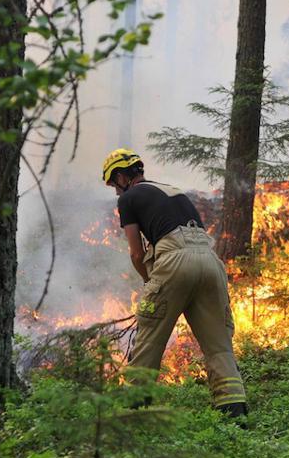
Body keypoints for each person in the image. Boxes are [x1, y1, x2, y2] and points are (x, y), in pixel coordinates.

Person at [102, 148, 248, 417]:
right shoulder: (173, 190)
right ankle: (234, 410)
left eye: (114, 183)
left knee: (150, 339)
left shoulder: (129, 198)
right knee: (218, 344)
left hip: (174, 262)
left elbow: (136, 253)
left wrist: (149, 281)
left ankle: (133, 409)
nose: (115, 191)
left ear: (122, 176)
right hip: (211, 262)